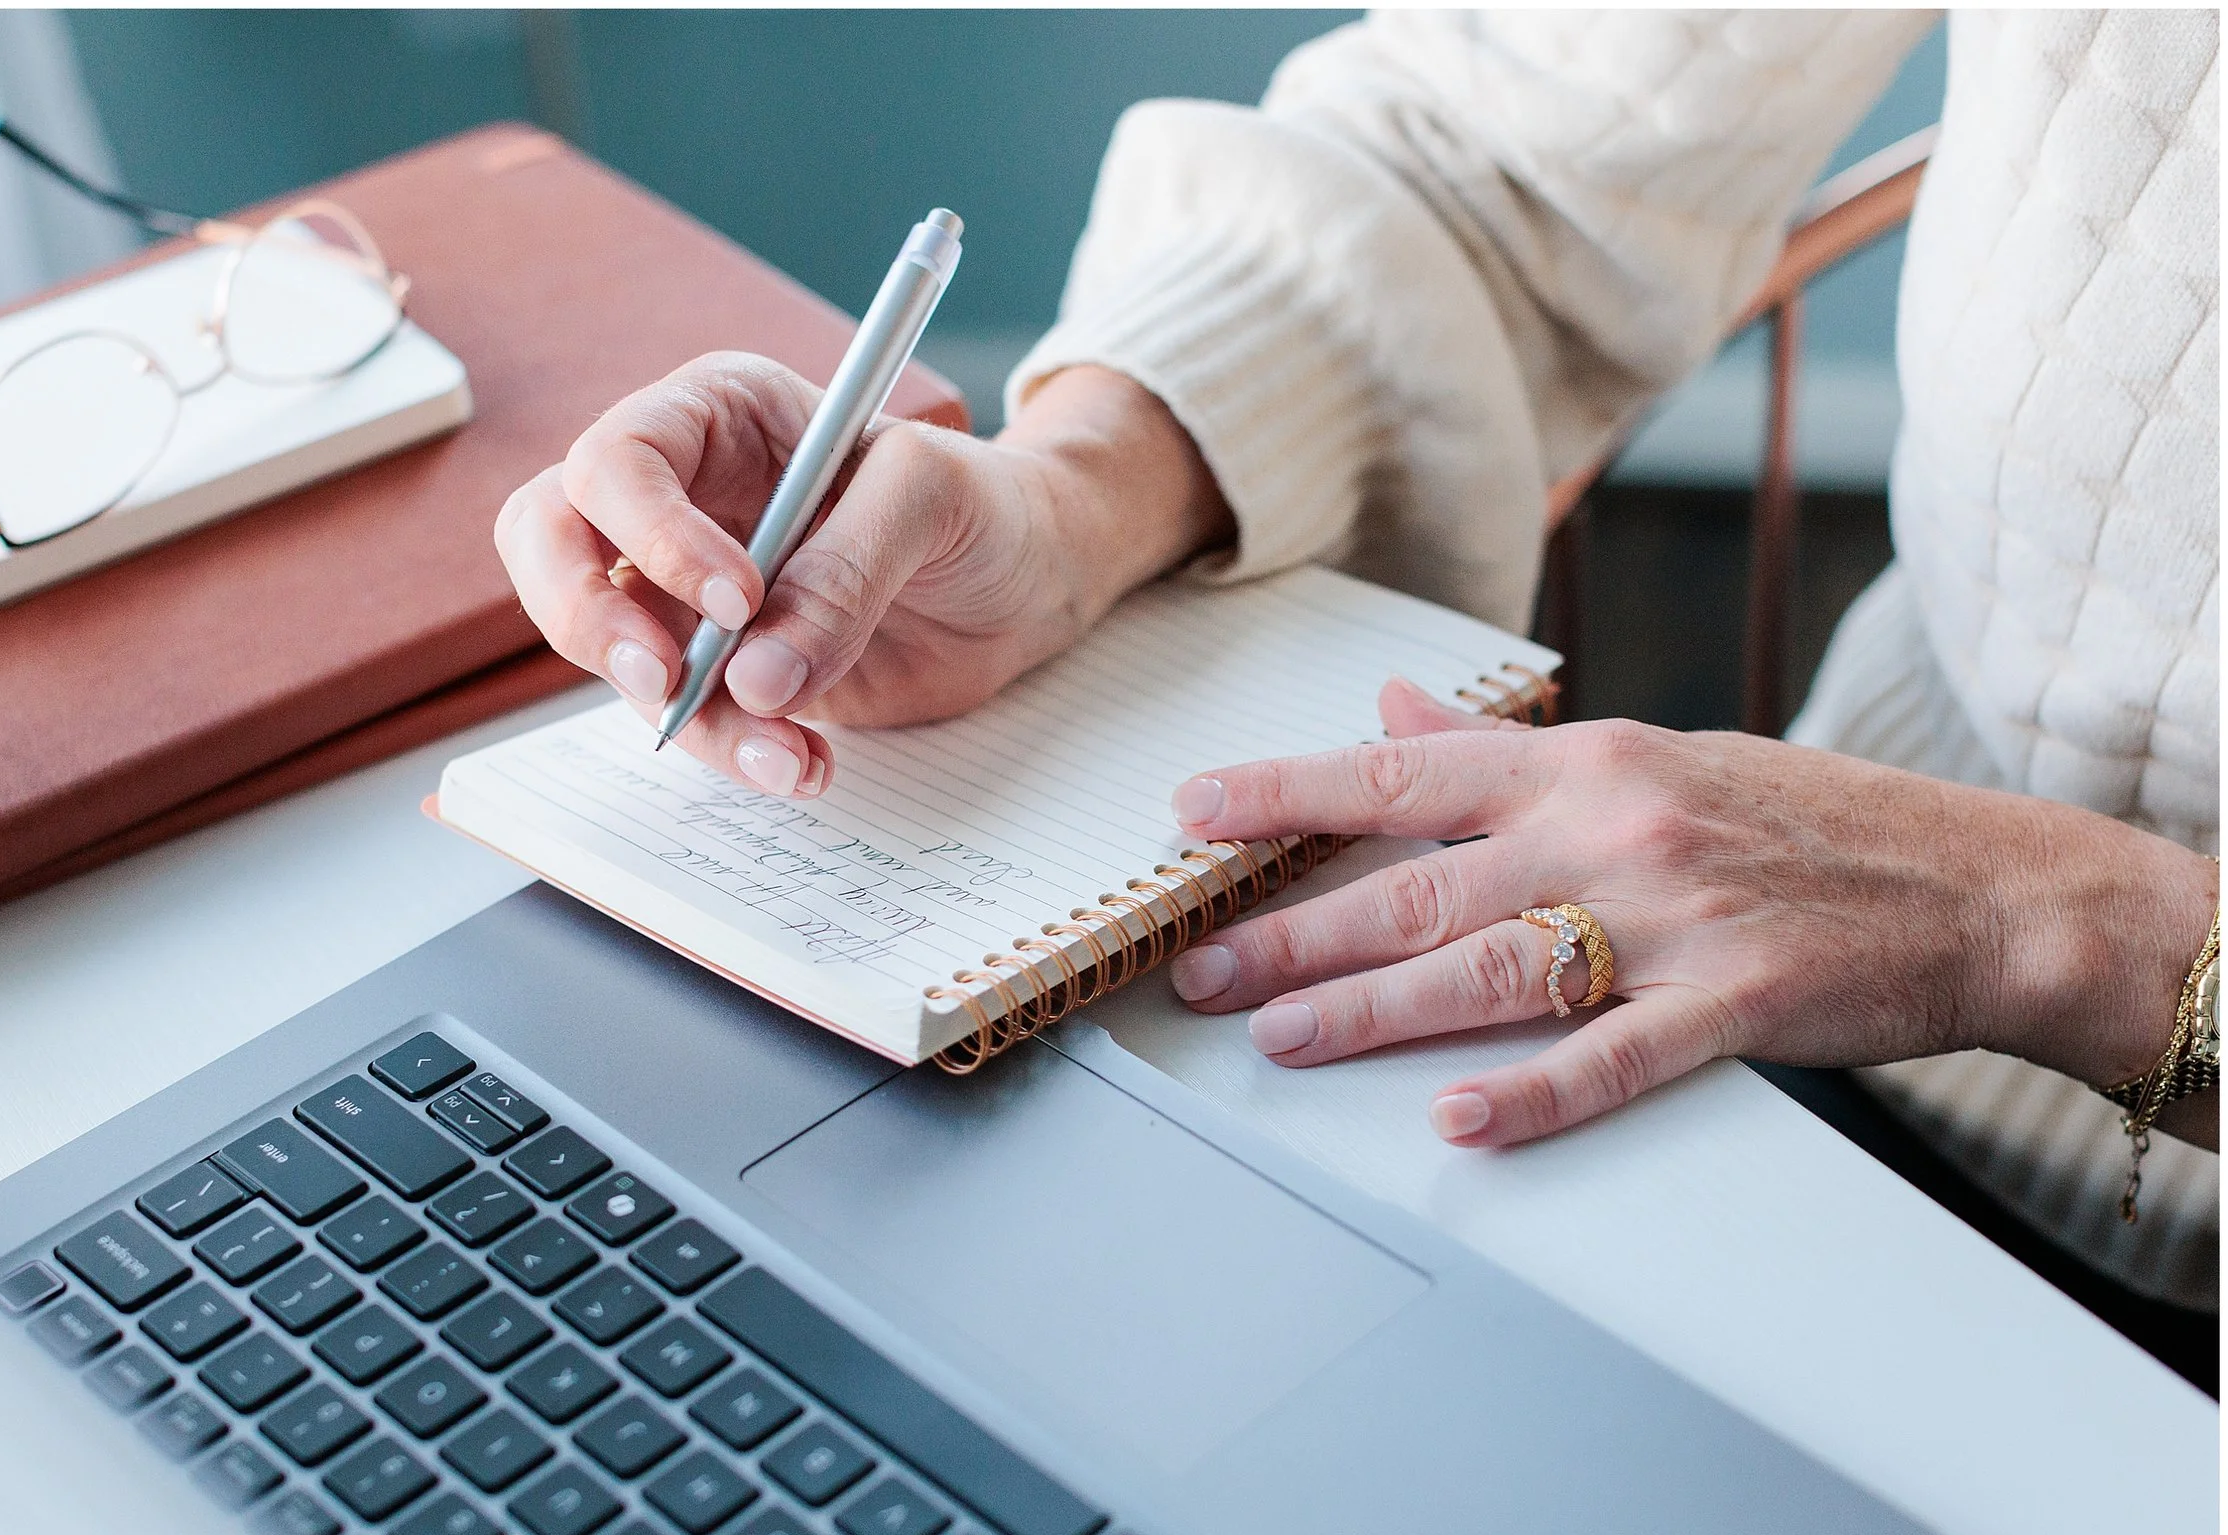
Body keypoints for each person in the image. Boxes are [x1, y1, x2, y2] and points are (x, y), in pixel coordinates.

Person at [497, 11, 2217, 1308]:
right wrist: (1080, 490)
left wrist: (2043, 923)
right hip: (1828, 1001)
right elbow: (1500, 155)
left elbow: (2009, 919)